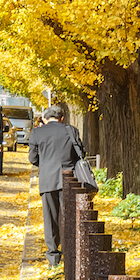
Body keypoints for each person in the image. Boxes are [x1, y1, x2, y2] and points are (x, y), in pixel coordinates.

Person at [28, 104, 84, 268]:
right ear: (62, 118)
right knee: (69, 216)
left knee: (50, 217)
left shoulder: (38, 132)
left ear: (45, 118)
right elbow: (81, 153)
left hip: (48, 179)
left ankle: (53, 256)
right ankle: (70, 252)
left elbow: (32, 158)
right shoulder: (71, 130)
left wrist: (44, 165)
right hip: (70, 179)